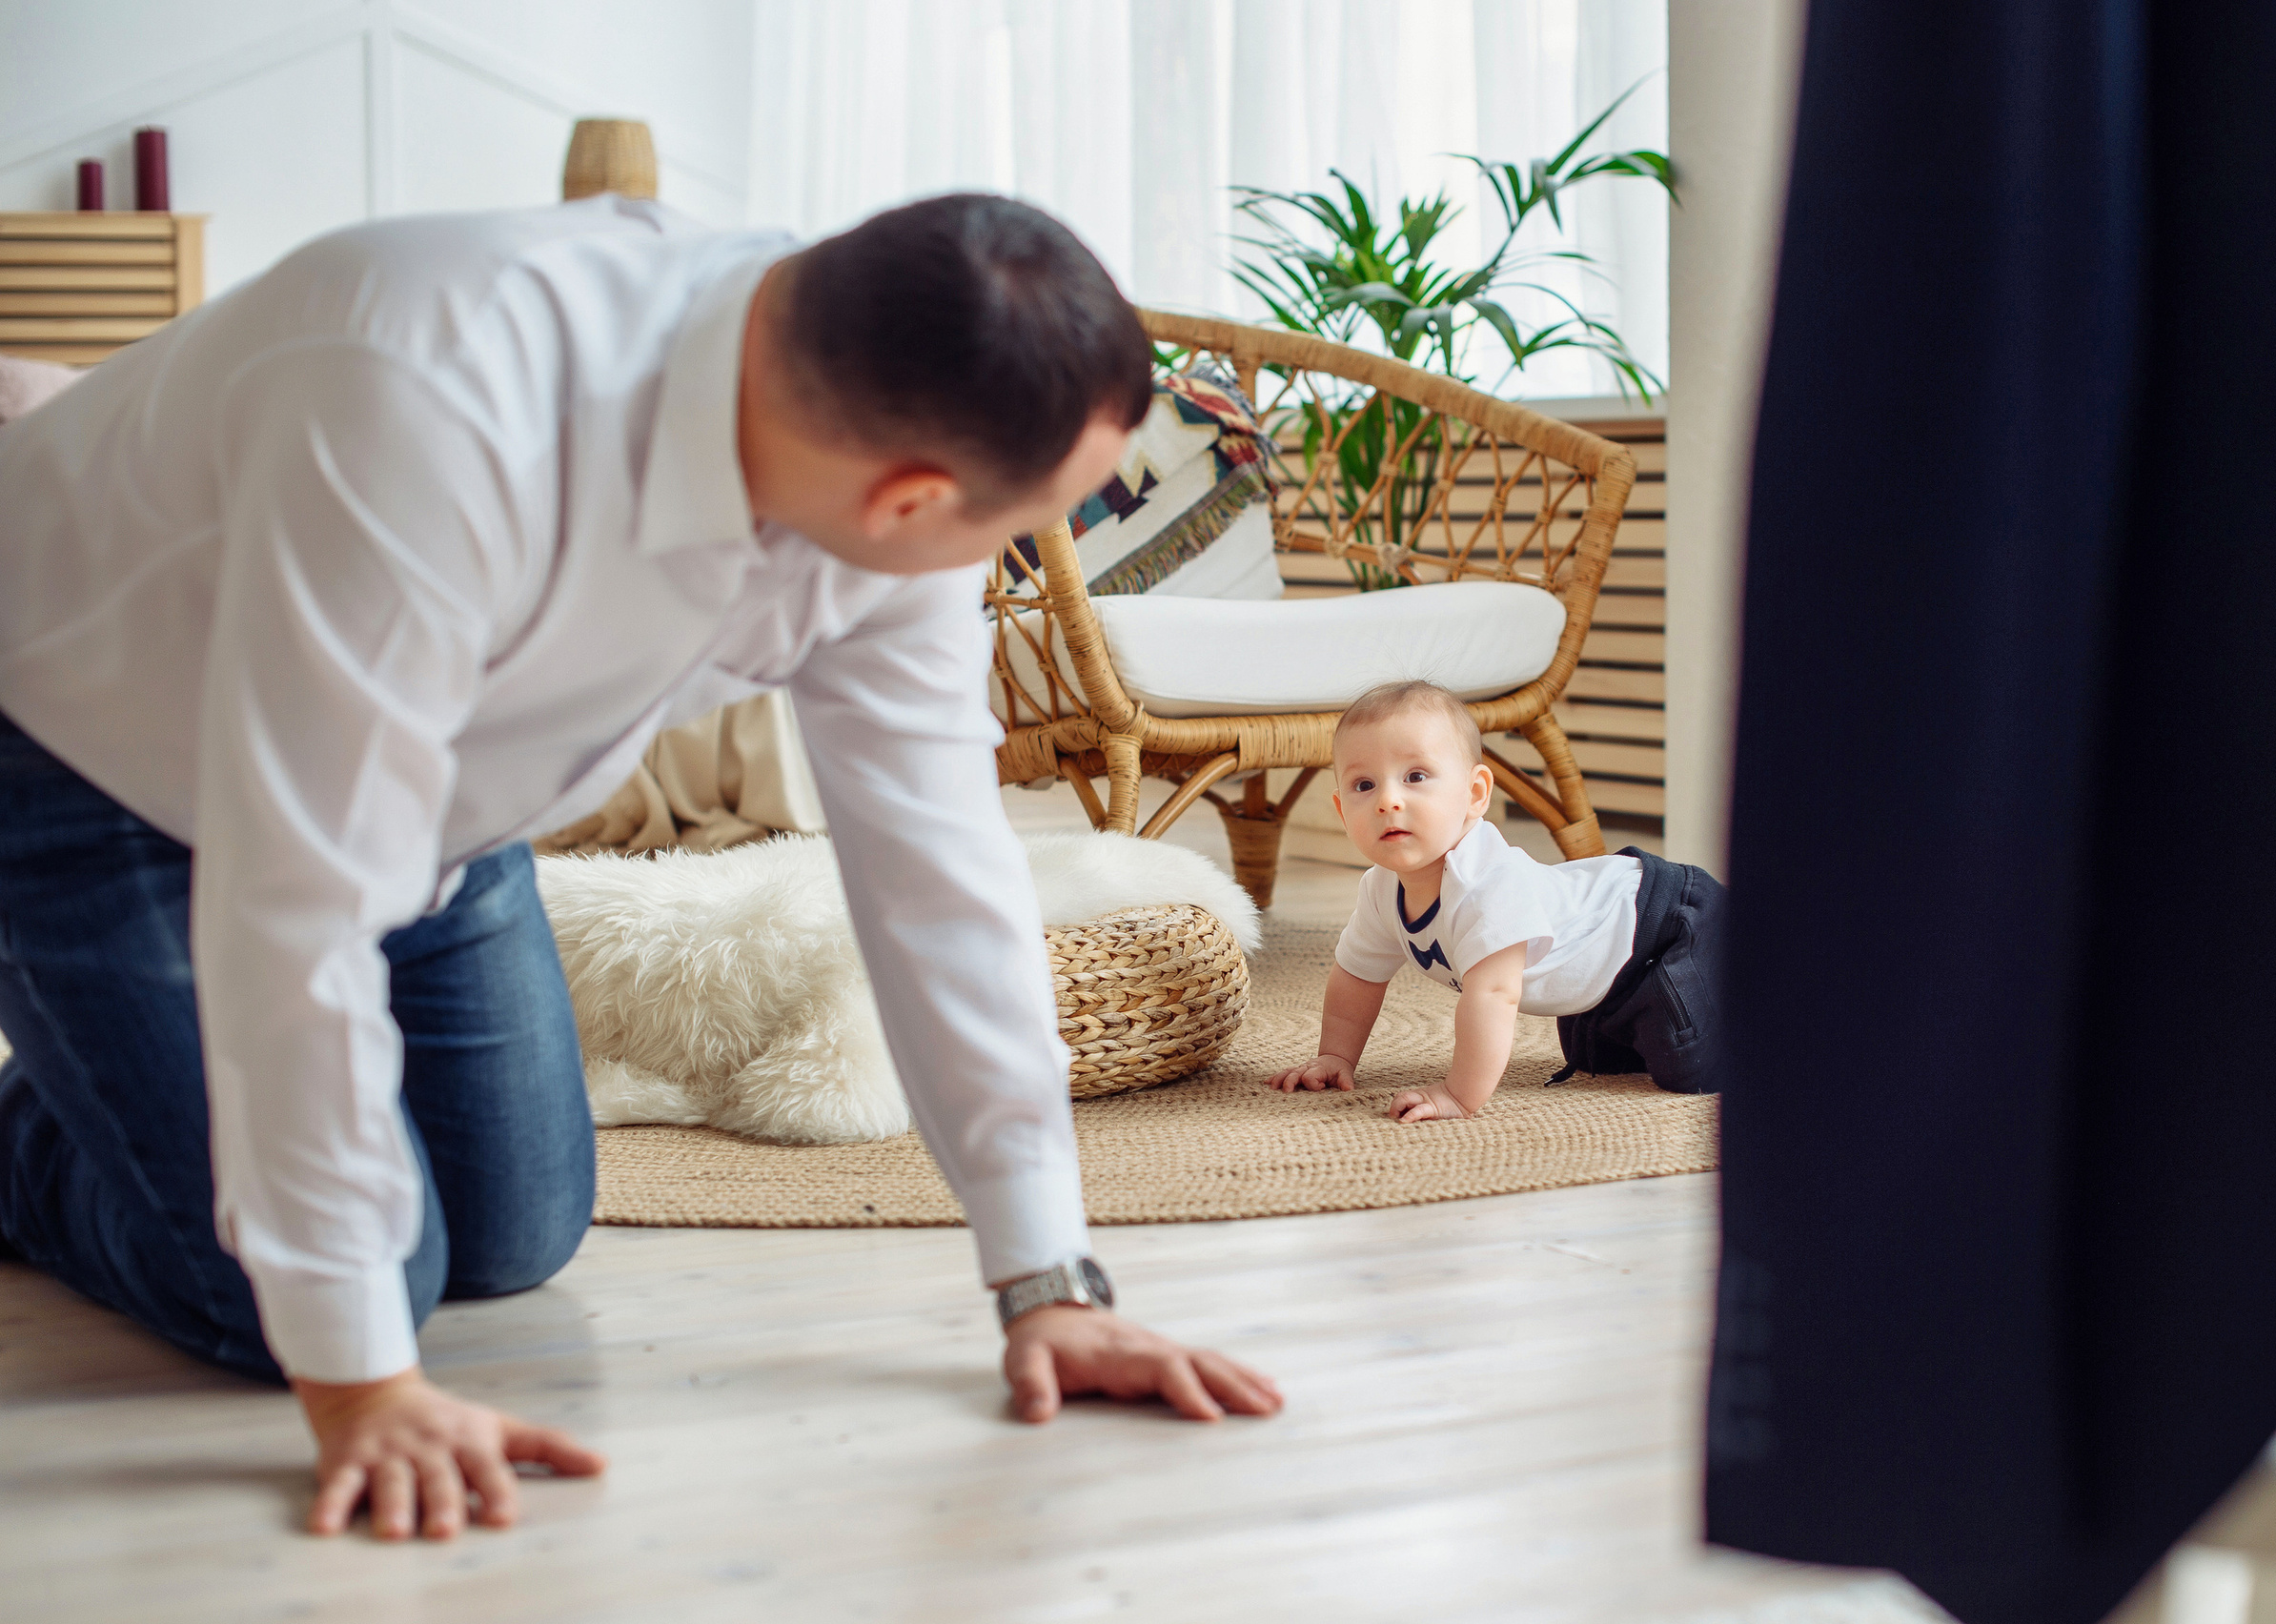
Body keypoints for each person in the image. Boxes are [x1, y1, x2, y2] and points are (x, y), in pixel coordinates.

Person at [0, 192, 1279, 1545]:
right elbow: (292, 910)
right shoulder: (428, 407)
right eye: (1039, 519)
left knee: (508, 1237)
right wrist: (363, 1388)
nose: (1023, 550)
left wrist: (1048, 1281)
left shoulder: (872, 441)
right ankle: (36, 1131)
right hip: (87, 742)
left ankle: (134, 1093)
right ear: (912, 500)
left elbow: (940, 866)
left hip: (444, 801)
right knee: (300, 1301)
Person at [1264, 680, 1725, 1121]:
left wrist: (1459, 1095)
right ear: (1342, 810)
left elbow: (1494, 994)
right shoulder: (1380, 889)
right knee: (1598, 1057)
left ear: (1475, 794)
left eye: (1416, 776)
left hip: (1666, 919)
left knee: (1690, 1062)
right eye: (1364, 785)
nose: (1388, 800)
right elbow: (1357, 977)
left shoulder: (1488, 882)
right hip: (1609, 977)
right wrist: (1334, 1055)